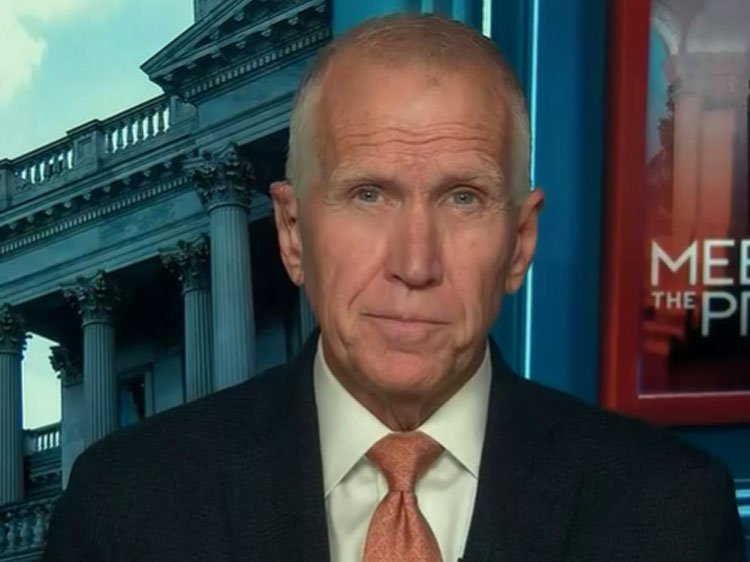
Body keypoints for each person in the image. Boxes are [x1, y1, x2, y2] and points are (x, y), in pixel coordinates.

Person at [43, 13, 746, 562]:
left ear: (520, 243)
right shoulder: (124, 510)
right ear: (293, 232)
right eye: (368, 195)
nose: (415, 263)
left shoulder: (673, 512)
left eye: (463, 198)